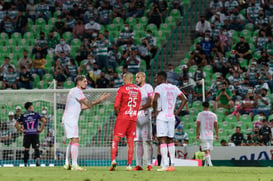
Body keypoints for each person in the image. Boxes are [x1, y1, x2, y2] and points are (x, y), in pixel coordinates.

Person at [62, 75, 110, 171]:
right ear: (78, 82)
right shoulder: (76, 91)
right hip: (70, 119)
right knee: (75, 140)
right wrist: (99, 100)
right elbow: (88, 103)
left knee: (72, 140)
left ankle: (67, 163)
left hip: (69, 118)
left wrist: (96, 102)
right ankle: (75, 165)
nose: (86, 83)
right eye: (84, 81)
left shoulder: (75, 92)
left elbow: (83, 107)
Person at [152, 71, 187, 171]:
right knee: (171, 140)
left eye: (157, 78)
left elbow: (154, 100)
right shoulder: (174, 87)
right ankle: (173, 164)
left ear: (160, 78)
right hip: (171, 116)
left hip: (162, 115)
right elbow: (184, 99)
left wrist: (155, 111)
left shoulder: (159, 88)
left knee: (162, 140)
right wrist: (177, 112)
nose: (156, 80)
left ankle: (165, 165)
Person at [110, 72, 142, 171]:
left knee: (116, 139)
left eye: (123, 79)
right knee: (131, 142)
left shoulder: (122, 89)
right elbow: (138, 106)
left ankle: (113, 160)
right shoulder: (138, 90)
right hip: (133, 118)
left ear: (125, 79)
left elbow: (116, 105)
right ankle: (129, 165)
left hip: (123, 117)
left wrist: (117, 112)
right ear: (132, 79)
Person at [15, 102, 47, 167]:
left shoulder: (23, 115)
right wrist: (41, 129)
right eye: (32, 106)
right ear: (30, 107)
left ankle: (25, 163)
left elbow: (15, 124)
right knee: (36, 148)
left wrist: (22, 130)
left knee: (26, 149)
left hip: (27, 134)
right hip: (35, 133)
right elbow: (44, 120)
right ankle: (37, 160)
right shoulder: (36, 114)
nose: (33, 107)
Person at [133, 72, 153, 171]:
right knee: (138, 141)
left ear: (144, 77)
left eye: (138, 77)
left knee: (147, 140)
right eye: (136, 77)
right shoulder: (134, 89)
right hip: (136, 118)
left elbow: (151, 102)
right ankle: (138, 164)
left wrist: (140, 107)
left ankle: (149, 164)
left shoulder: (148, 87)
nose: (136, 79)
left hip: (145, 116)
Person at [196, 101, 219, 167]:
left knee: (206, 151)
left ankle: (210, 164)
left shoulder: (200, 114)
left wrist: (197, 134)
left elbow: (198, 125)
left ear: (203, 106)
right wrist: (217, 135)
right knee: (208, 150)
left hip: (203, 135)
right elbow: (216, 125)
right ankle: (206, 165)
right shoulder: (214, 115)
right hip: (210, 135)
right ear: (209, 107)